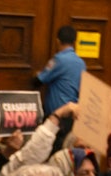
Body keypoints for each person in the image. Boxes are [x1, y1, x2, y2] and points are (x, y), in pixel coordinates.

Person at [36, 25, 86, 153]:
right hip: (73, 115)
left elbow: (39, 81)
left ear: (57, 41)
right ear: (75, 43)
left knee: (52, 151)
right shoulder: (81, 63)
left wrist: (36, 74)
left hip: (57, 115)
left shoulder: (58, 60)